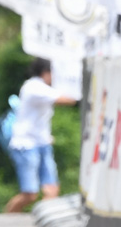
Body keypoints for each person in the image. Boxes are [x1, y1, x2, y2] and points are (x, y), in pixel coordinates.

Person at [4, 58, 76, 214]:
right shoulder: (33, 86)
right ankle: (6, 218)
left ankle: (39, 222)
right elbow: (66, 99)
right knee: (30, 194)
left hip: (42, 143)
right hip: (26, 144)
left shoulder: (42, 87)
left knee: (52, 190)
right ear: (46, 73)